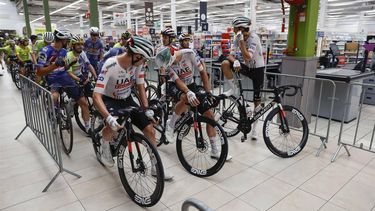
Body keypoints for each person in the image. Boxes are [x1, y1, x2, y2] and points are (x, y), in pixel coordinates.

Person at [92, 36, 174, 180]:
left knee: (149, 129)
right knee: (113, 127)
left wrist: (146, 109)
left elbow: (141, 86)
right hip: (110, 100)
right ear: (136, 55)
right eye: (144, 59)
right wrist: (109, 118)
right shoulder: (110, 65)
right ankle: (105, 146)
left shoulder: (137, 64)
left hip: (127, 98)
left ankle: (156, 167)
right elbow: (96, 96)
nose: (145, 62)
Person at [156, 43, 232, 161]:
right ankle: (170, 125)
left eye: (173, 63)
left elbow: (203, 73)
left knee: (210, 116)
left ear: (174, 56)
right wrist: (188, 92)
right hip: (174, 84)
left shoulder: (189, 53)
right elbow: (177, 81)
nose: (173, 66)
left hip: (191, 84)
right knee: (185, 98)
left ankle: (214, 150)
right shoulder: (168, 65)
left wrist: (208, 93)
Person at [220, 16, 265, 140]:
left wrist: (241, 42)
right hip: (245, 66)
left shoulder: (254, 38)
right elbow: (230, 55)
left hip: (258, 69)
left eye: (235, 29)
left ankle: (254, 130)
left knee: (257, 102)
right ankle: (235, 91)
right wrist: (234, 61)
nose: (233, 31)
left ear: (240, 28)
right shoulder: (237, 37)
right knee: (224, 64)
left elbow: (247, 57)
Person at [36, 28, 83, 110]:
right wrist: (54, 66)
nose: (68, 43)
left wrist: (70, 64)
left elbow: (64, 68)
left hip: (64, 77)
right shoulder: (45, 51)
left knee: (80, 97)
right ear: (62, 40)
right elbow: (39, 72)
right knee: (54, 96)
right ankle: (52, 111)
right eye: (67, 40)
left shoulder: (64, 51)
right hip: (51, 78)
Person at [66, 35, 98, 132]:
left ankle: (72, 101)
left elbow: (89, 65)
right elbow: (69, 72)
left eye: (81, 44)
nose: (80, 46)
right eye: (77, 45)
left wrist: (96, 77)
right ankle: (87, 126)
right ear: (73, 46)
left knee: (95, 95)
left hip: (80, 76)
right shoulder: (68, 56)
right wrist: (79, 80)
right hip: (70, 78)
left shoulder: (82, 53)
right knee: (84, 103)